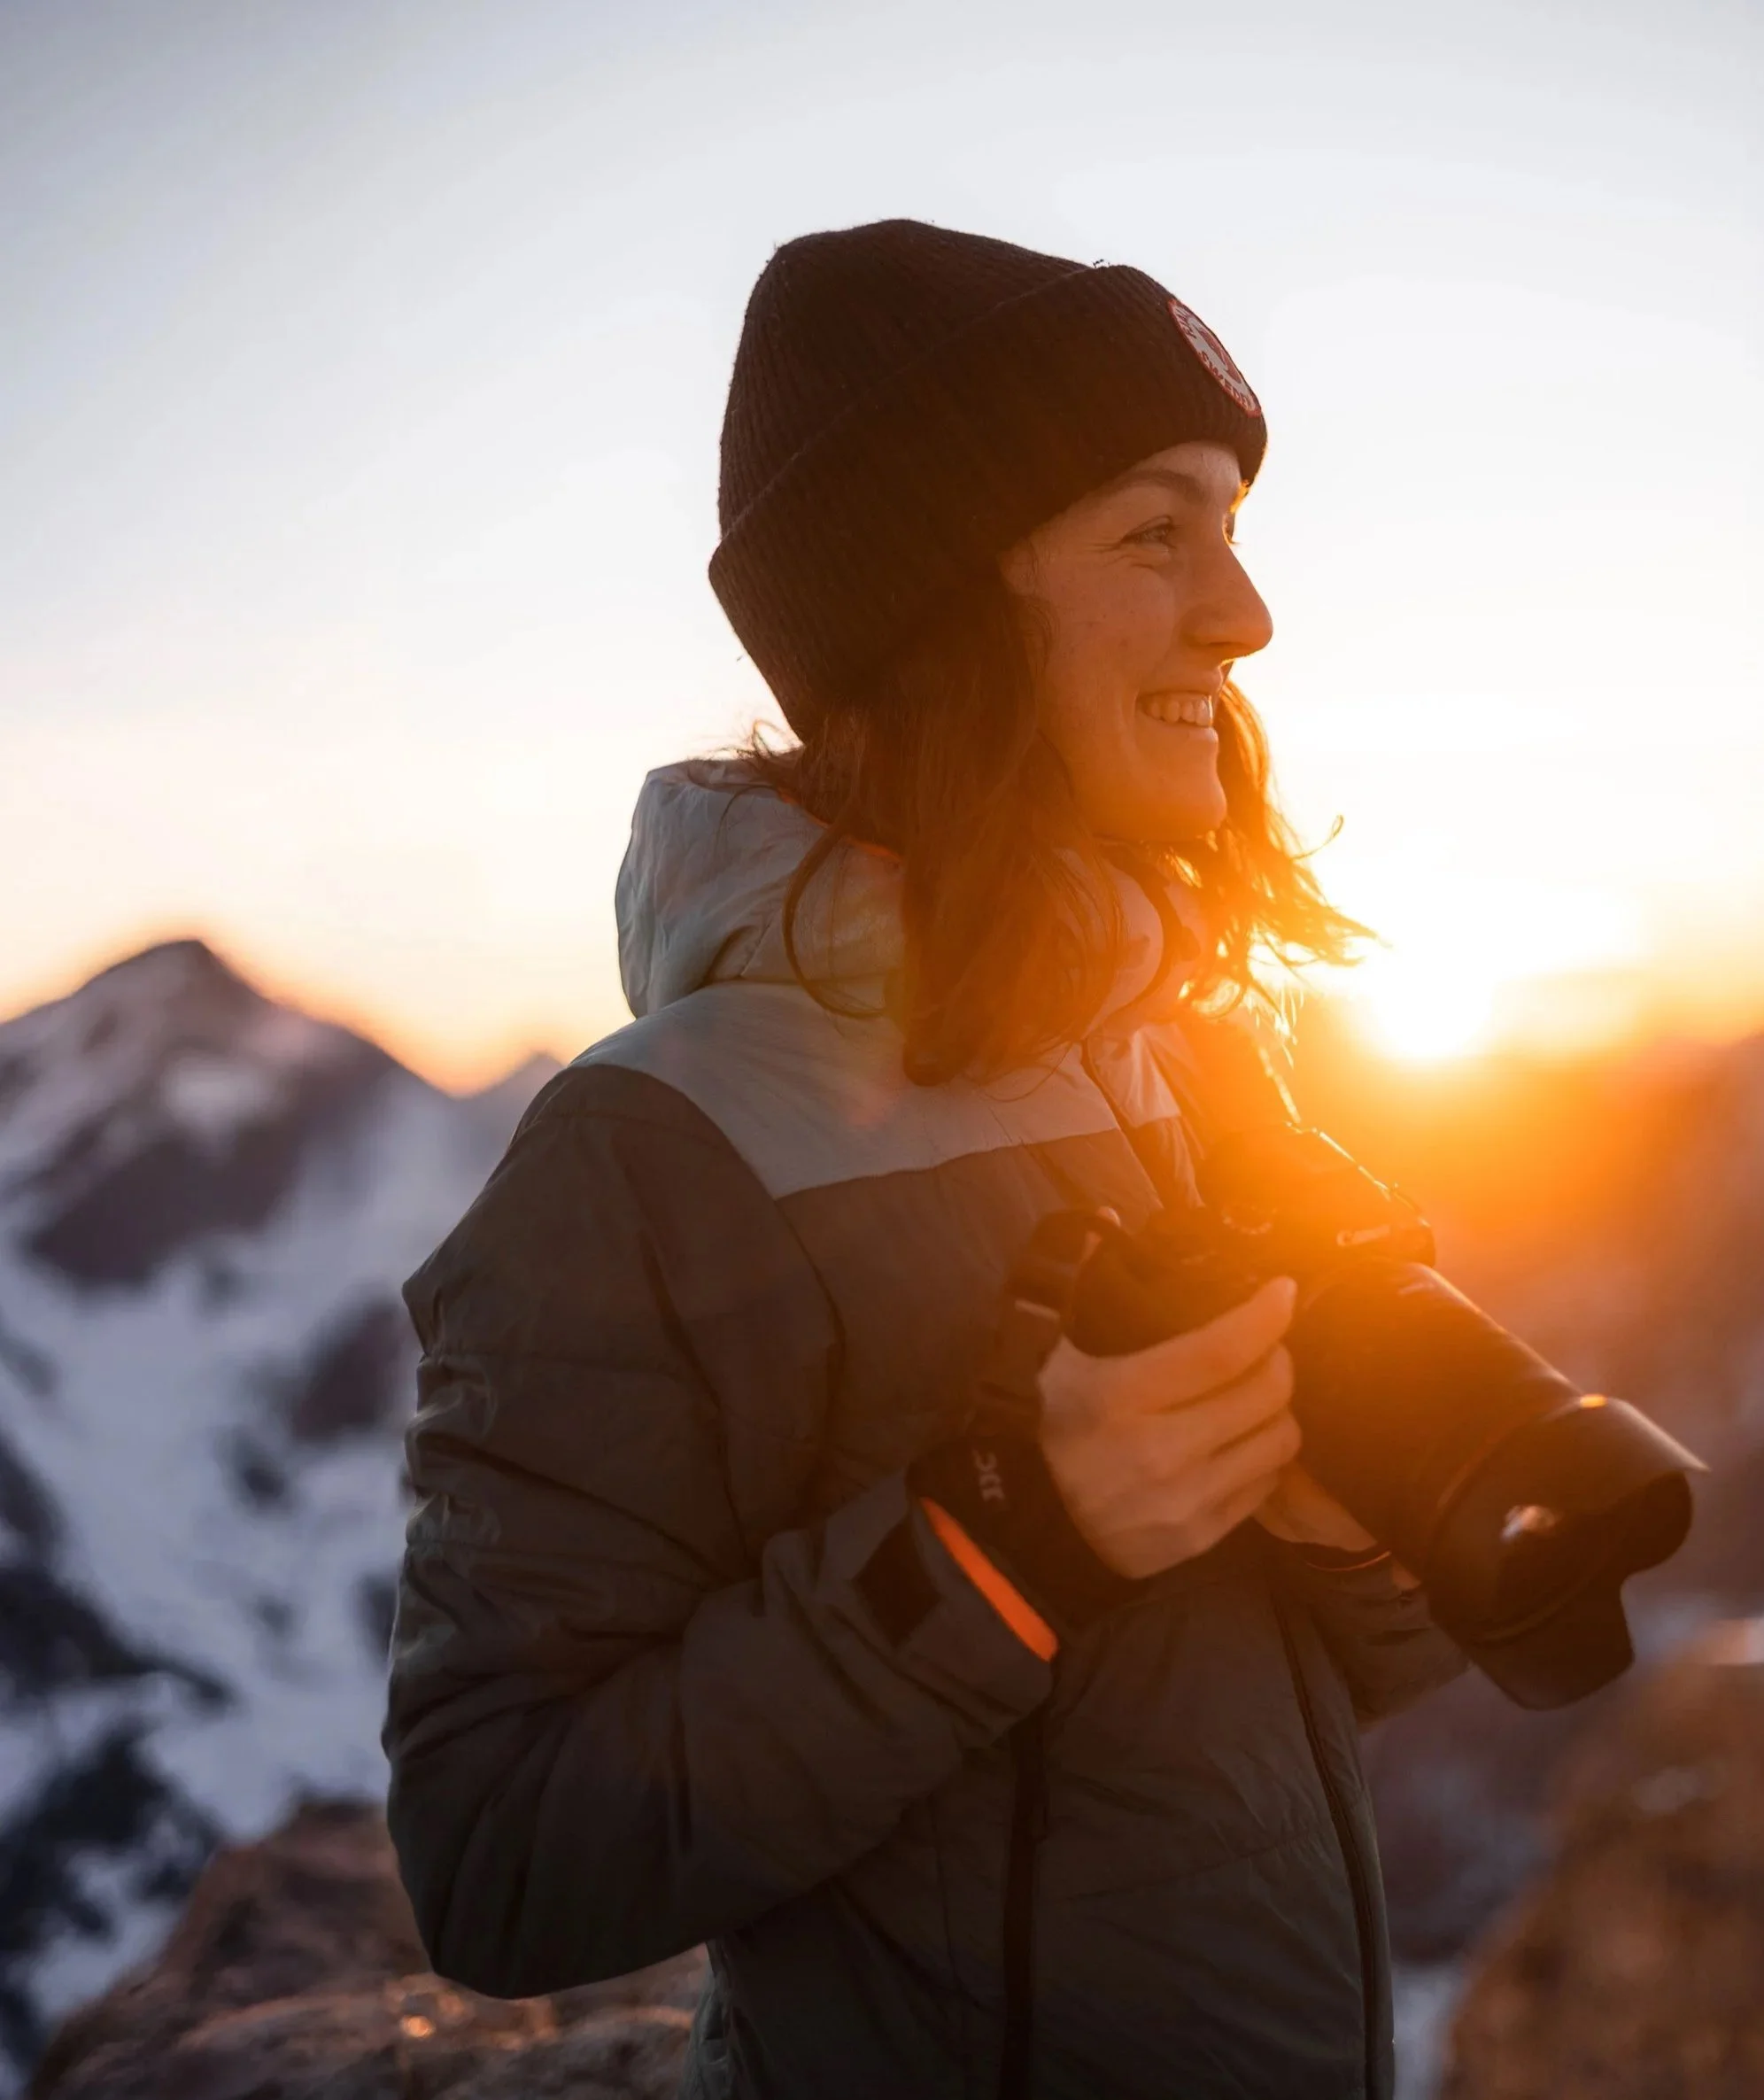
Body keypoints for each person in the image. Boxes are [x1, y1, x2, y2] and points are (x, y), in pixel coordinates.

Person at [383, 219, 1464, 2100]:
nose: (1246, 613)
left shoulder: (1186, 1057)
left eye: (1233, 527)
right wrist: (1007, 1540)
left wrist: (1364, 1508)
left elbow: (1287, 1696)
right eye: (1158, 532)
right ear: (948, 607)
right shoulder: (659, 1147)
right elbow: (500, 1860)